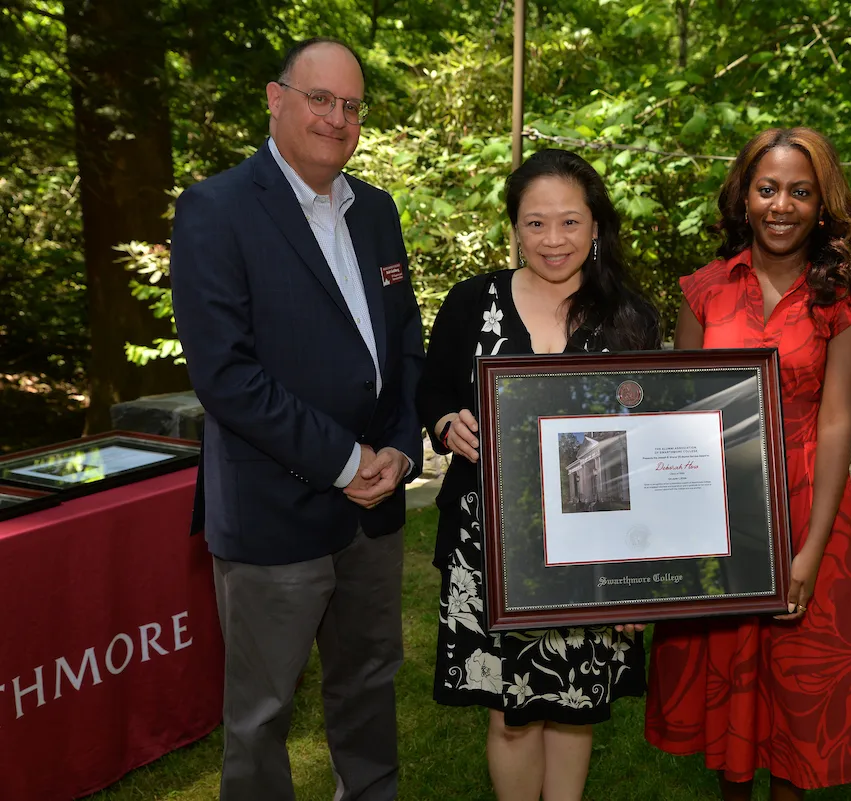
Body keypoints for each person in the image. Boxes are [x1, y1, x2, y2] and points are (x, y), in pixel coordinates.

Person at [170, 37, 424, 801]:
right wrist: (350, 461)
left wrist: (399, 449)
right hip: (272, 510)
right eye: (320, 99)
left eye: (352, 106)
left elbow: (404, 344)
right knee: (261, 714)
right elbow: (228, 377)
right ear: (277, 100)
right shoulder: (215, 210)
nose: (337, 118)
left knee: (370, 686)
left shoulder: (375, 210)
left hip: (375, 508)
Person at [644, 128, 851, 800]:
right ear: (744, 195)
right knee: (730, 700)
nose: (783, 205)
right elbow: (681, 418)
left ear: (822, 203)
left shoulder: (848, 302)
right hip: (718, 508)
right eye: (769, 188)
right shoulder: (705, 292)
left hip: (814, 508)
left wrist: (808, 552)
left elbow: (840, 420)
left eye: (801, 191)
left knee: (797, 706)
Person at [416, 148, 660, 801]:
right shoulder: (472, 302)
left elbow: (650, 449)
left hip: (596, 548)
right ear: (515, 226)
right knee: (511, 712)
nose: (553, 240)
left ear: (597, 226)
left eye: (570, 222)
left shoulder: (632, 318)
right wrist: (445, 422)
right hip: (489, 543)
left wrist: (639, 577)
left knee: (575, 703)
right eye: (535, 223)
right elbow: (431, 388)